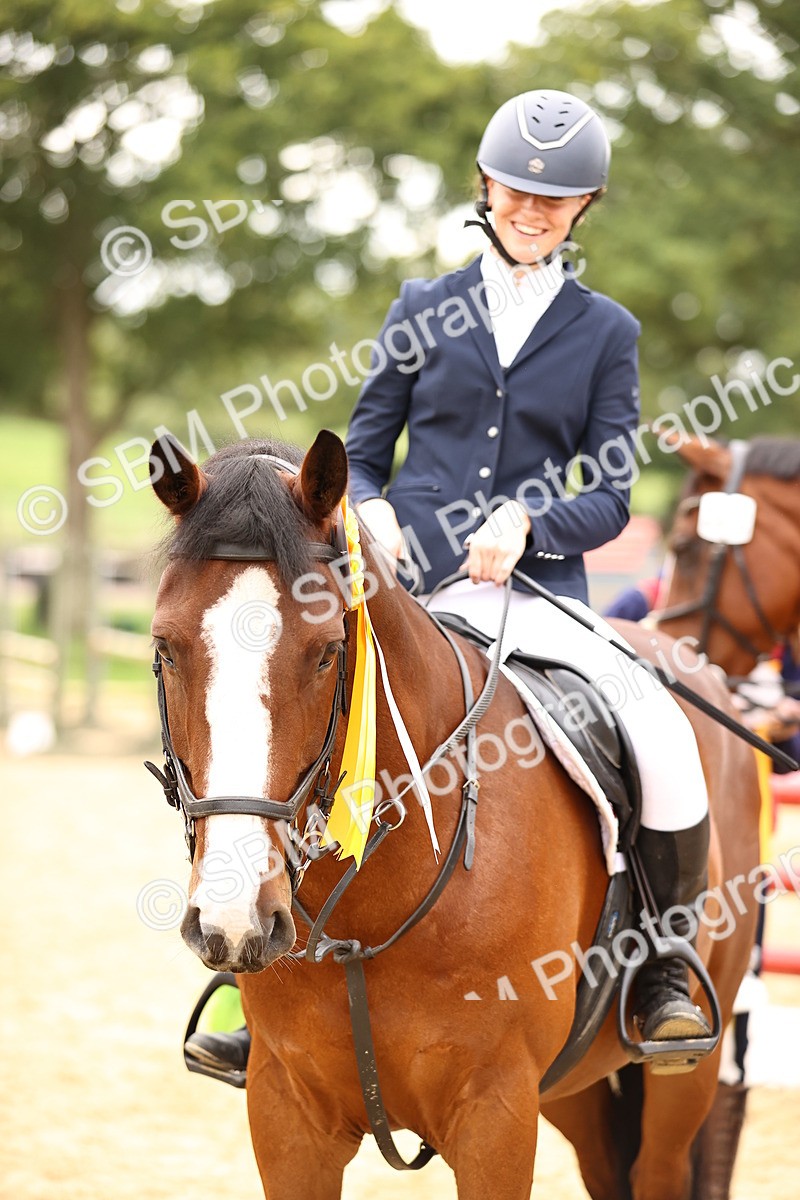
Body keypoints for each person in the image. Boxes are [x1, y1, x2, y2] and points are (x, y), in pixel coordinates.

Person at [186, 88, 713, 1083]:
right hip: (403, 592)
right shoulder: (423, 307)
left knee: (657, 726)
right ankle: (260, 985)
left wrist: (531, 522)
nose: (531, 208)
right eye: (517, 189)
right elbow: (363, 450)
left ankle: (661, 967)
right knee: (294, 723)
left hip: (536, 598)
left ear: (581, 208)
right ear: (485, 185)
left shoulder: (607, 332)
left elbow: (607, 488)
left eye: (554, 200)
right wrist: (370, 513)